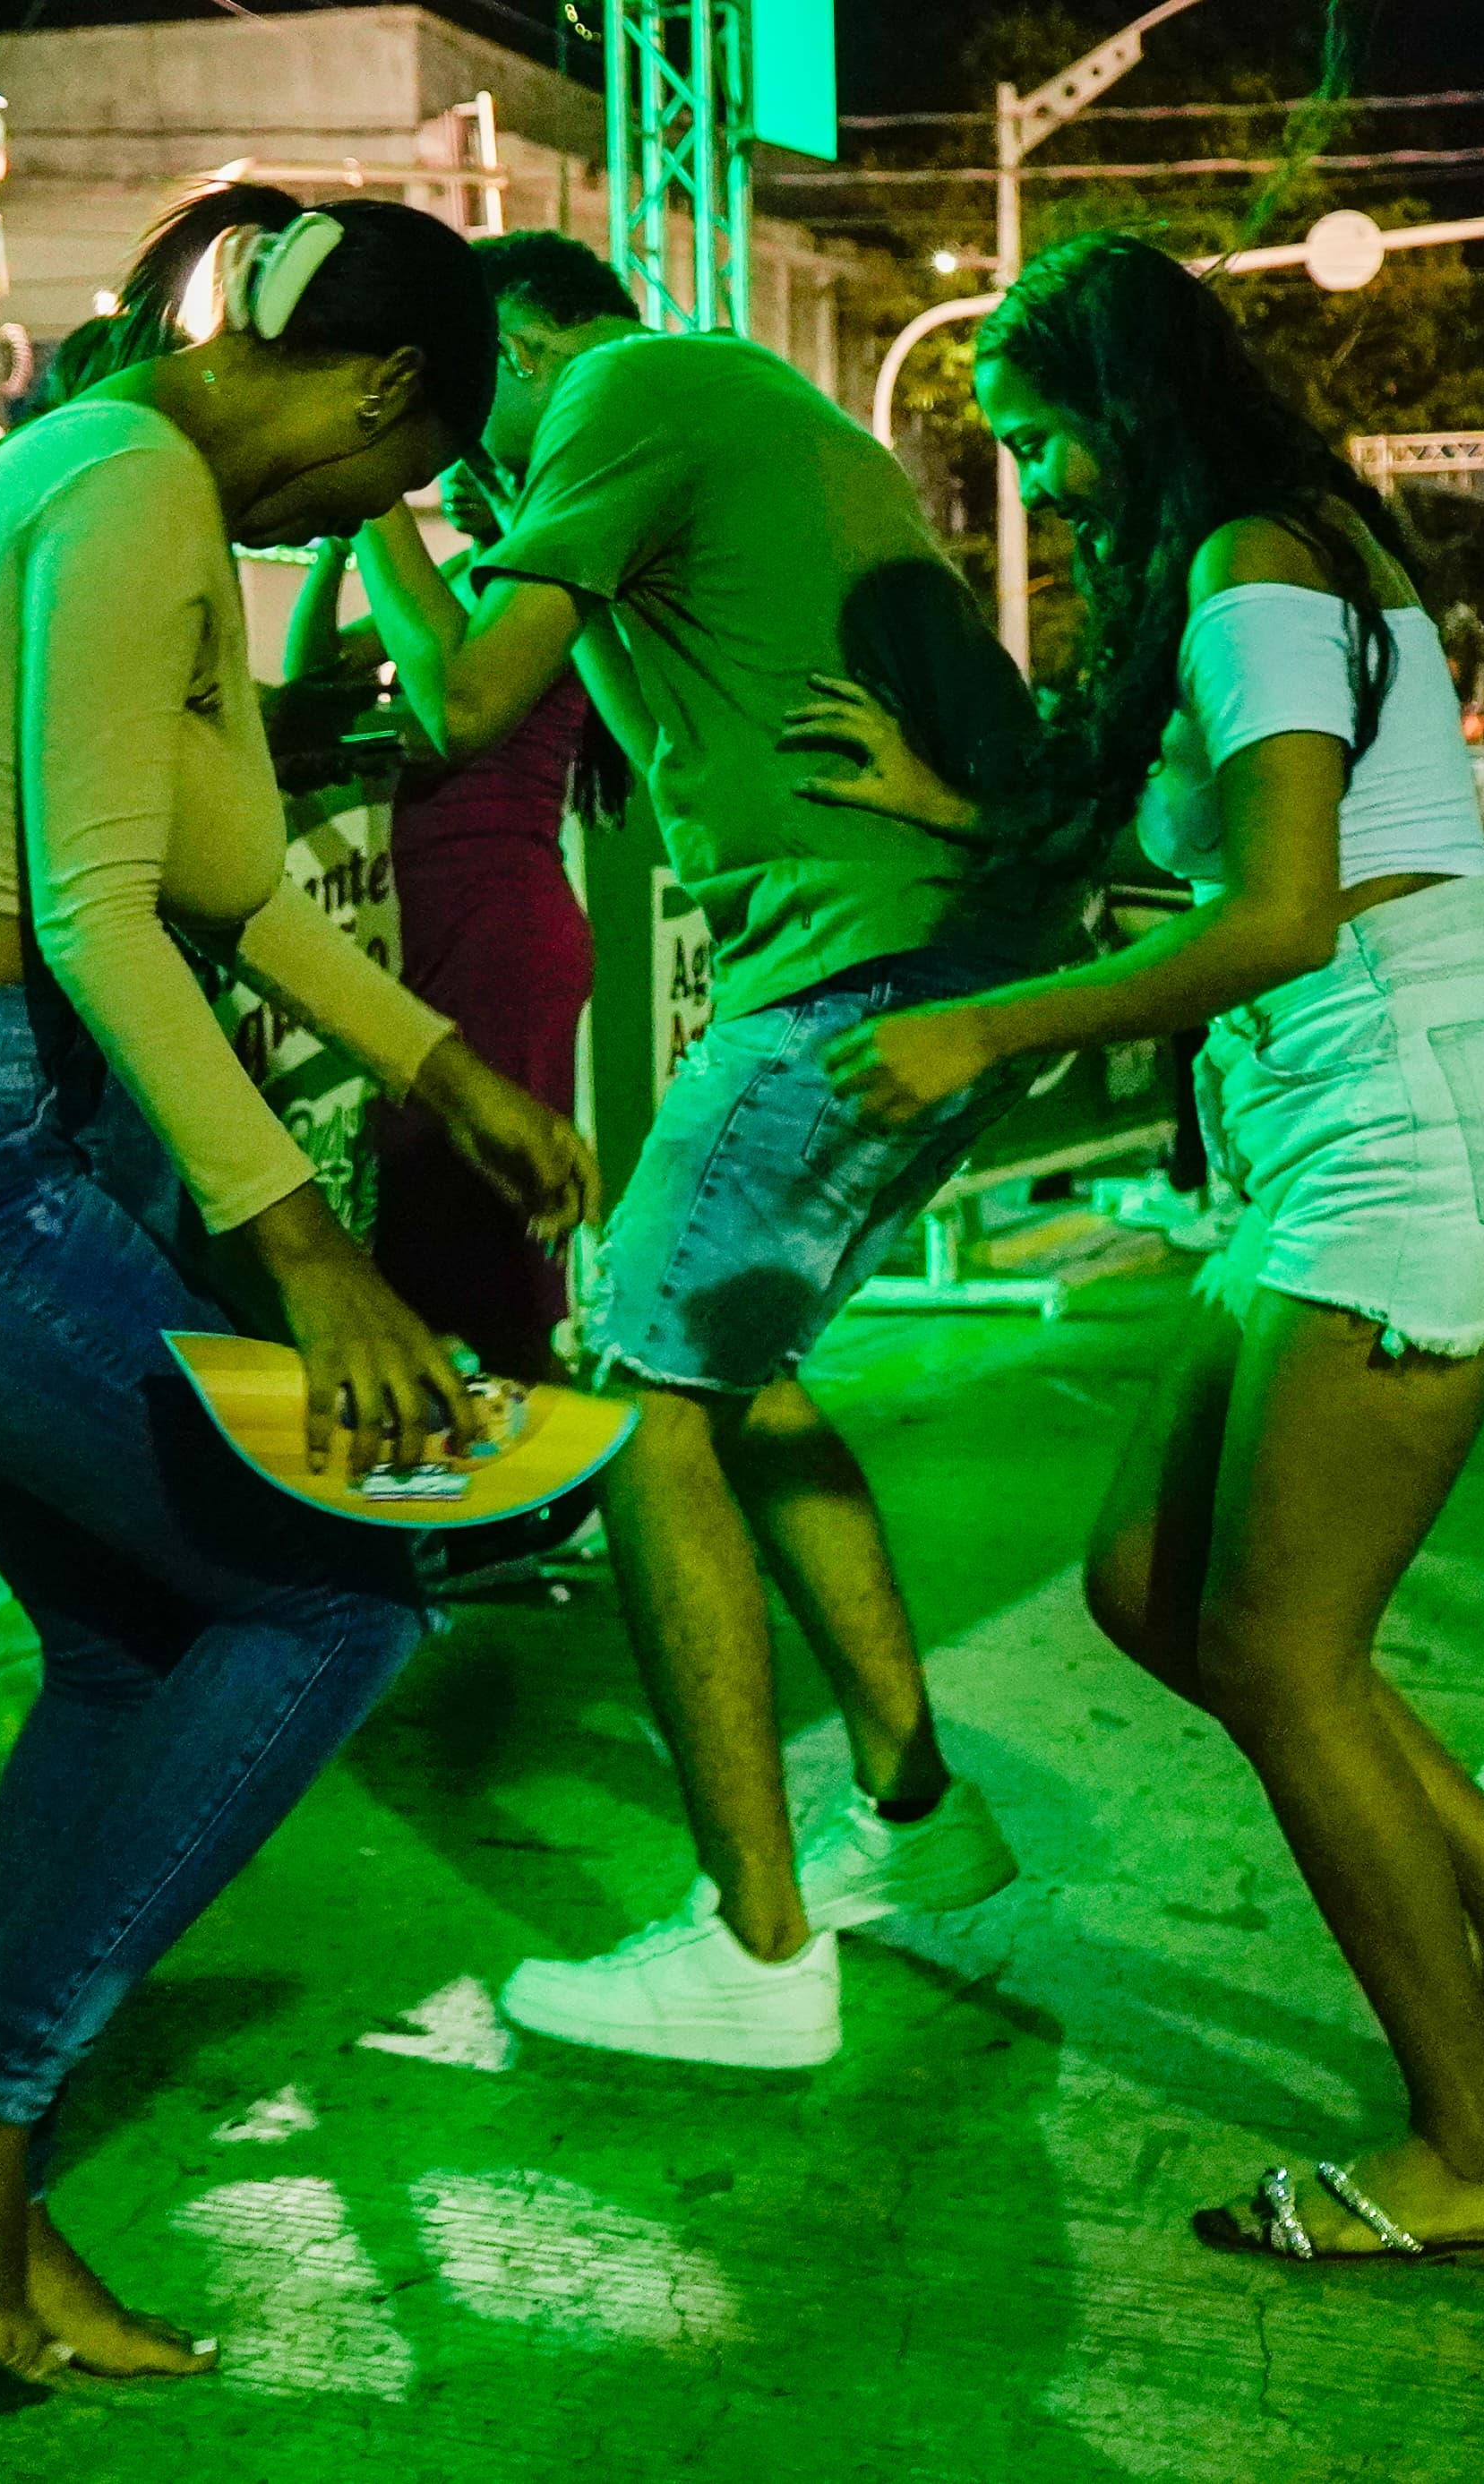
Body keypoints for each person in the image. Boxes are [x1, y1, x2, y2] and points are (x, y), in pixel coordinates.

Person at [0, 191, 593, 2385]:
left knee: (131, 1634)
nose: (371, 518)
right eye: (396, 479)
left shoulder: (144, 487)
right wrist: (311, 1250)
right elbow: (103, 911)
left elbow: (228, 875)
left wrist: (441, 1063)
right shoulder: (119, 481)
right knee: (332, 1598)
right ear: (384, 393)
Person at [794, 232, 1484, 2267]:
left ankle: (1472, 2149)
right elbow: (1210, 857)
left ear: (1133, 399)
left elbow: (1274, 917)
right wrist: (936, 796)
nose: (1039, 487)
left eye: (1047, 438)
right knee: (1143, 1585)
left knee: (1278, 1650)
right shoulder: (1258, 561)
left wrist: (976, 1028)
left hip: (1419, 1132)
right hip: (1341, 1138)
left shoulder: (1257, 568)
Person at [356, 228, 1069, 2069]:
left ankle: (754, 1949)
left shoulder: (617, 390)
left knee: (640, 1398)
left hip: (844, 964)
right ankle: (918, 1815)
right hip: (914, 944)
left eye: (449, 409)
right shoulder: (721, 399)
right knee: (737, 1377)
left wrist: (367, 504)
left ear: (517, 348)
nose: (462, 462)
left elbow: (456, 696)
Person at [287, 455, 608, 1386]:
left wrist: (501, 515)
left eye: (487, 462)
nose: (459, 478)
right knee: (425, 1226)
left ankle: (549, 1479)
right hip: (434, 934)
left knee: (490, 1236)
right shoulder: (454, 592)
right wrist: (337, 548)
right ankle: (484, 1487)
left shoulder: (537, 601)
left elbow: (447, 710)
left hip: (502, 927)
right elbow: (314, 677)